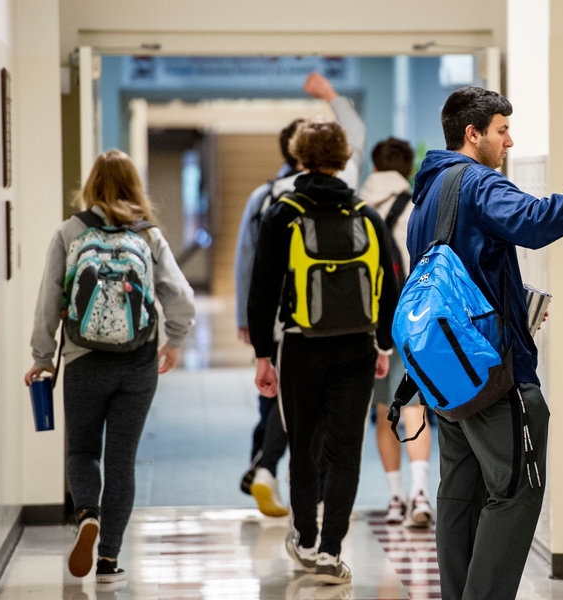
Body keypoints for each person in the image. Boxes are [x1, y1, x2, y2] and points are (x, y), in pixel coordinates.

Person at [405, 87, 563, 600]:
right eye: (501, 130)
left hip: (447, 375)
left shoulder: (429, 191)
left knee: (459, 496)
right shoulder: (476, 181)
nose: (509, 142)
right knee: (515, 491)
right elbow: (533, 223)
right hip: (492, 372)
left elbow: (464, 271)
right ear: (473, 135)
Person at [24, 149, 195, 586]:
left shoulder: (70, 231)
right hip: (137, 361)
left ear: (92, 185)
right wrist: (174, 341)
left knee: (82, 450)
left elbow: (48, 300)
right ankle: (108, 561)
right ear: (134, 185)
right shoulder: (148, 234)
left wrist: (42, 358)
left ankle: (86, 514)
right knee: (122, 462)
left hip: (83, 359)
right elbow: (181, 297)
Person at [248, 119, 399, 584]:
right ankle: (333, 551)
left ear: (299, 157)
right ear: (343, 158)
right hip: (356, 345)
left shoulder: (283, 213)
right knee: (345, 449)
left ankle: (306, 539)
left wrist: (262, 354)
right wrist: (384, 345)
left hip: (300, 345)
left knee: (305, 444)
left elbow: (262, 289)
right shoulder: (365, 213)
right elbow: (391, 281)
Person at [234, 70, 366, 517]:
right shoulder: (350, 192)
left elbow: (251, 267)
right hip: (349, 321)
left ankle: (268, 469)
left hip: (287, 321)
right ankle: (325, 524)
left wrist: (254, 336)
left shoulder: (271, 198)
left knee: (286, 405)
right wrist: (331, 96)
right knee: (334, 423)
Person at [358, 137, 433, 527]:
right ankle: (421, 494)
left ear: (373, 168)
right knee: (415, 406)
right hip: (414, 319)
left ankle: (394, 498)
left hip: (370, 324)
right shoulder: (419, 207)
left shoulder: (357, 207)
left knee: (385, 410)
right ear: (407, 170)